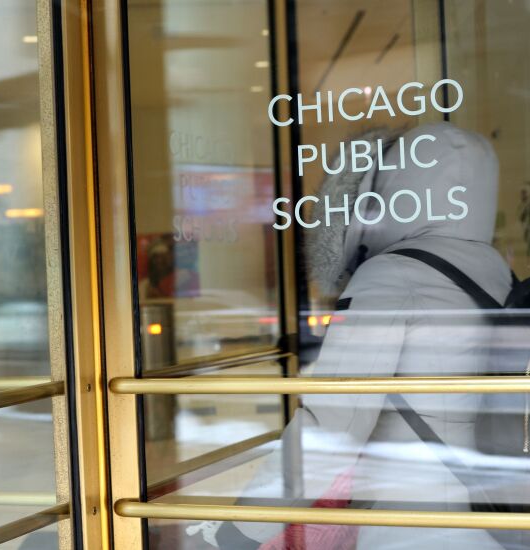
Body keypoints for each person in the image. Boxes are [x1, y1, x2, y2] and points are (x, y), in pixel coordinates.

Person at [213, 122, 511, 550]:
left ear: (394, 186)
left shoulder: (391, 276)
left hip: (409, 520)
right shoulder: (494, 269)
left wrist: (243, 528)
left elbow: (334, 424)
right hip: (486, 512)